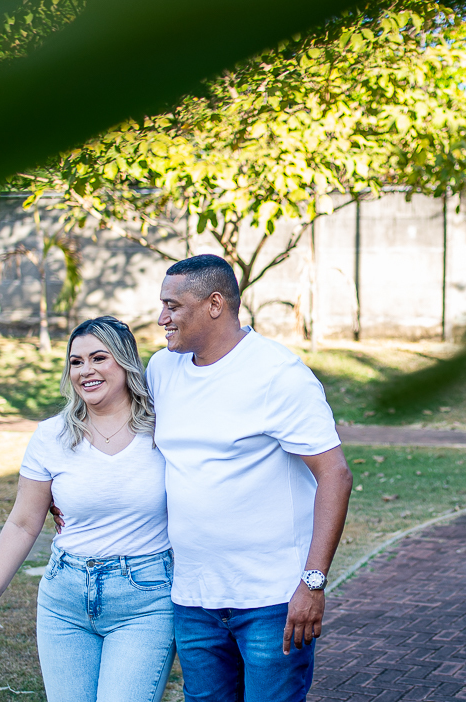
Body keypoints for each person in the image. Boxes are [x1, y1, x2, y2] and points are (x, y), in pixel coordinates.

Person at [148, 254, 352, 701]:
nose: (162, 318)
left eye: (173, 306)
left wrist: (313, 583)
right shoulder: (161, 370)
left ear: (214, 304)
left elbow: (335, 475)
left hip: (271, 602)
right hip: (193, 598)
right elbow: (123, 434)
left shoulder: (279, 375)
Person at [0, 317, 175, 702]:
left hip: (145, 603)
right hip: (64, 600)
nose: (85, 370)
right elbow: (23, 523)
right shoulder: (52, 435)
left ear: (125, 361)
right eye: (76, 362)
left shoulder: (165, 430)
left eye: (99, 358)